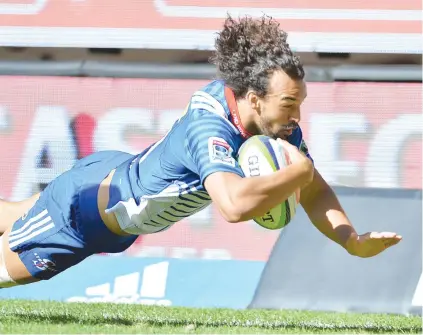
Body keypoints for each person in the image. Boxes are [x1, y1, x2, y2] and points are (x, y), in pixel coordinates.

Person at [0, 15, 402, 288]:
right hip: (81, 214)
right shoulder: (209, 126)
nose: (298, 114)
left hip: (114, 179)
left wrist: (351, 240)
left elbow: (314, 190)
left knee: (12, 213)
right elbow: (232, 206)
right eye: (289, 103)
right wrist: (297, 174)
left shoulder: (274, 122)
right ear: (253, 98)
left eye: (300, 101)